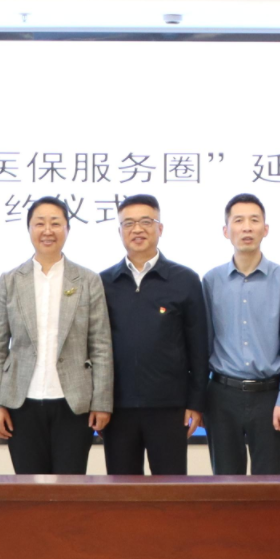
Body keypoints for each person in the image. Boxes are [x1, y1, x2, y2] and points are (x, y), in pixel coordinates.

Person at [0, 196, 113, 475]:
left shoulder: (88, 280)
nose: (47, 230)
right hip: (21, 402)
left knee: (70, 488)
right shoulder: (9, 280)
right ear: (29, 229)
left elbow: (101, 345)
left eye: (55, 223)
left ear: (68, 229)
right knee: (28, 488)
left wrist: (102, 403)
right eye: (39, 223)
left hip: (74, 403)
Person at [99, 194, 209, 475]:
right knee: (122, 492)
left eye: (146, 222)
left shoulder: (185, 279)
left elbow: (199, 347)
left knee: (171, 492)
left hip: (169, 407)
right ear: (120, 231)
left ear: (160, 228)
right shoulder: (103, 282)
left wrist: (196, 403)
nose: (137, 229)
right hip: (117, 408)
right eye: (128, 223)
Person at [202, 193, 280, 475]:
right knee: (225, 484)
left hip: (269, 397)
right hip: (221, 396)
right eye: (238, 220)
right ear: (226, 231)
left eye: (254, 220)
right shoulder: (211, 280)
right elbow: (203, 344)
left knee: (269, 487)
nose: (247, 227)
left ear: (265, 229)